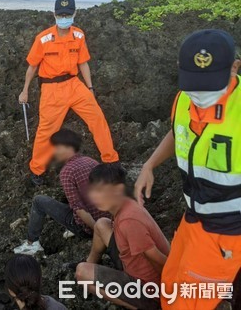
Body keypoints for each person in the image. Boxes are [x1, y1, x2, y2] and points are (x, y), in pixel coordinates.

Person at [135, 29, 241, 310]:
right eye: (195, 84)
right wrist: (150, 164)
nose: (200, 94)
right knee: (170, 285)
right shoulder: (183, 99)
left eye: (210, 84)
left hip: (228, 232)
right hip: (193, 217)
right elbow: (177, 132)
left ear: (235, 67)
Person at [19, 0, 119, 185]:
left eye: (67, 14)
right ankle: (37, 170)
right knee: (46, 131)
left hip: (75, 85)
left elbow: (83, 63)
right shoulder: (43, 39)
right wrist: (24, 91)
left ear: (74, 13)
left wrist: (89, 88)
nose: (64, 17)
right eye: (60, 14)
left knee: (97, 118)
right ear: (54, 14)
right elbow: (32, 67)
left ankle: (111, 160)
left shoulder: (79, 35)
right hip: (51, 89)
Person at [76, 164, 169, 310]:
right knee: (102, 224)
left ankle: (139, 306)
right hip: (131, 262)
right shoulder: (125, 205)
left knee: (82, 273)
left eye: (101, 191)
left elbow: (156, 258)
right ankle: (91, 262)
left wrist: (169, 291)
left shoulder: (129, 220)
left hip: (148, 289)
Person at [13, 129, 110, 255]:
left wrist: (98, 231)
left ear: (68, 148)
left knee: (39, 201)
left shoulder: (67, 171)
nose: (54, 151)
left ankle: (32, 244)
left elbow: (79, 208)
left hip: (88, 229)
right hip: (107, 221)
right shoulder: (92, 161)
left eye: (57, 147)